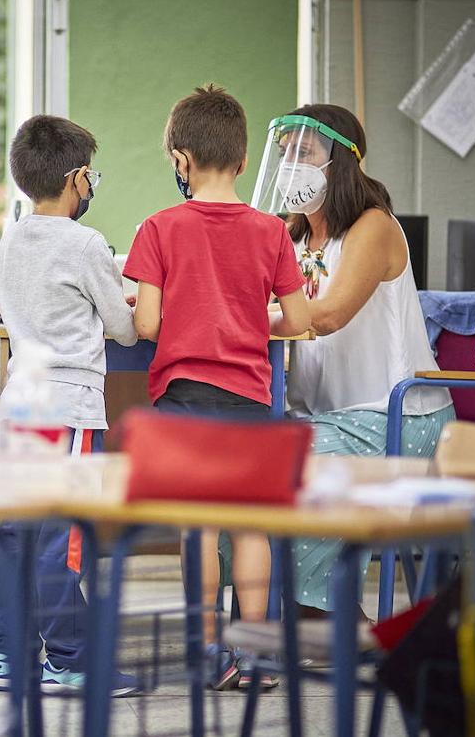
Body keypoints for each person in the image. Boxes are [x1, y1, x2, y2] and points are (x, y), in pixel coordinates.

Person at [123, 84, 310, 690]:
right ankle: (253, 655)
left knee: (198, 526)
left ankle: (210, 653)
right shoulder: (272, 232)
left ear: (181, 159)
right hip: (253, 397)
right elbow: (300, 322)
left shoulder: (158, 228)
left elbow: (147, 324)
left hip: (185, 399)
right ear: (243, 159)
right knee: (250, 524)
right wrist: (251, 321)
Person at [250, 103, 455, 617]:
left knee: (295, 465)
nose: (290, 163)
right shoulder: (292, 236)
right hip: (325, 416)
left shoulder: (373, 227)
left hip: (395, 417)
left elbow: (330, 314)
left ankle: (329, 616)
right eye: (284, 153)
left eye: (305, 151)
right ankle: (271, 608)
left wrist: (240, 319)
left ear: (341, 159)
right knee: (241, 462)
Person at [0, 114, 140, 698]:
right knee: (61, 539)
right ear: (78, 178)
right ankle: (71, 658)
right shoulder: (85, 244)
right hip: (68, 407)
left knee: (18, 533)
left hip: (20, 403)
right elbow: (127, 329)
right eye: (91, 176)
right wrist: (126, 299)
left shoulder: (13, 238)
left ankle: (9, 652)